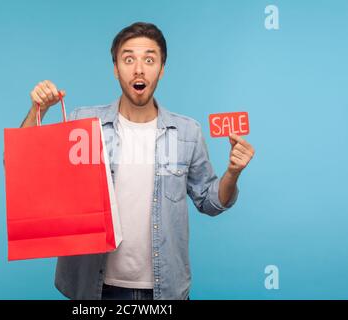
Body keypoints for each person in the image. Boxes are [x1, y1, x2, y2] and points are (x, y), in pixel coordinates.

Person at [20, 22, 255, 300]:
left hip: (165, 289)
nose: (139, 69)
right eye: (128, 58)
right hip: (92, 290)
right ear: (116, 69)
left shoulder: (187, 132)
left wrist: (233, 172)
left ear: (162, 69)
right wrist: (38, 110)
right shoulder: (83, 124)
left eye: (149, 59)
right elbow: (23, 168)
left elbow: (210, 202)